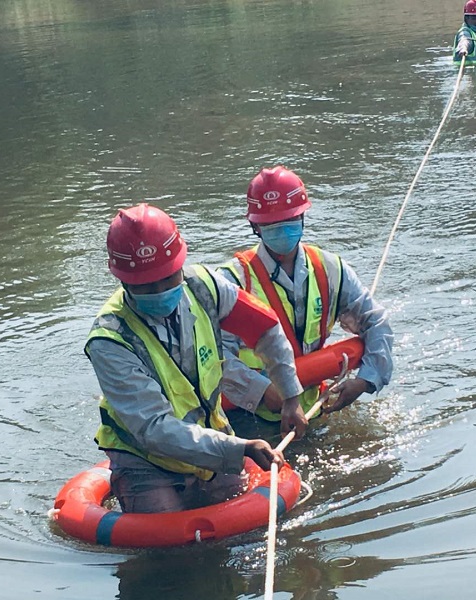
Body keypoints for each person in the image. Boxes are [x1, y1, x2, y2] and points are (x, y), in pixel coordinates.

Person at [84, 203, 308, 513]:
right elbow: (154, 428)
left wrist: (290, 396)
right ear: (123, 281)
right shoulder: (110, 340)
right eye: (147, 286)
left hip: (212, 433)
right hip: (146, 458)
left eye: (167, 278)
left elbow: (265, 329)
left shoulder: (204, 287)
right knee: (167, 540)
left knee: (239, 527)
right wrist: (239, 448)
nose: (160, 291)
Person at [218, 166, 393, 424]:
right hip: (247, 417)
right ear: (255, 226)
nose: (282, 231)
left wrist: (366, 381)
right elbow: (215, 357)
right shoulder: (232, 282)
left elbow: (375, 321)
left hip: (313, 405)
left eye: (289, 222)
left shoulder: (330, 269)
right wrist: (263, 391)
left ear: (302, 218)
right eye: (272, 226)